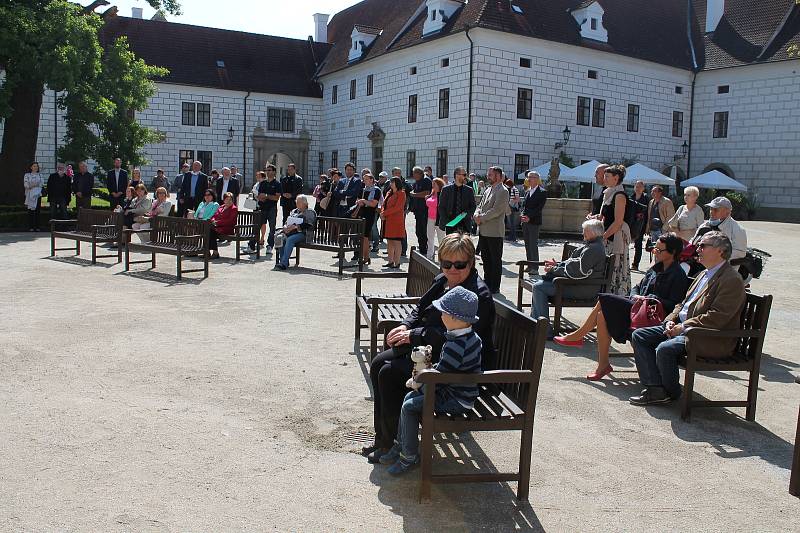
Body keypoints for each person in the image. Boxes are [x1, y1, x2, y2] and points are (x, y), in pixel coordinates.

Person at [363, 233, 497, 464]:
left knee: (389, 372)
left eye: (460, 264)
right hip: (429, 349)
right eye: (447, 263)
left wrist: (412, 335)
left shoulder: (477, 295)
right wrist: (405, 326)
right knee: (377, 364)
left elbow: (454, 337)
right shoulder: (442, 280)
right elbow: (420, 308)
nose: (452, 269)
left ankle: (394, 442)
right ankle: (384, 438)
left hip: (457, 365)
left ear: (471, 263)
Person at [629, 231, 745, 405]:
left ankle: (671, 392)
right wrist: (670, 320)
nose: (697, 249)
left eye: (703, 245)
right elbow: (682, 304)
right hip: (684, 328)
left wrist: (683, 327)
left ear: (720, 251)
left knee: (664, 348)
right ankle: (655, 388)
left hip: (707, 336)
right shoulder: (703, 274)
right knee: (640, 335)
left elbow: (718, 317)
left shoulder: (731, 279)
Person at [555, 233, 690, 380]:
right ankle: (603, 365)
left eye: (659, 249)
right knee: (602, 316)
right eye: (654, 248)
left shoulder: (678, 275)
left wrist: (649, 298)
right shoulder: (655, 268)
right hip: (638, 309)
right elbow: (637, 287)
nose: (654, 251)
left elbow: (675, 305)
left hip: (652, 317)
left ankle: (578, 336)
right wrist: (635, 295)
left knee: (605, 300)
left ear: (673, 252)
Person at [381, 286, 483, 475]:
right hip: (457, 391)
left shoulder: (456, 344)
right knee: (409, 399)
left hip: (455, 399)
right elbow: (448, 370)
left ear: (454, 318)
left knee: (409, 405)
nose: (441, 316)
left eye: (443, 312)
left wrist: (420, 384)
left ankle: (409, 456)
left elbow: (442, 377)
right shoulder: (469, 337)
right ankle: (400, 444)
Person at [530, 219, 607, 339]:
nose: (583, 233)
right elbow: (574, 264)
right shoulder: (593, 245)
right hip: (580, 284)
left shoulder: (594, 249)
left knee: (539, 287)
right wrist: (557, 266)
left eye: (585, 231)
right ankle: (537, 325)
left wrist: (554, 270)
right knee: (539, 285)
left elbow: (578, 271)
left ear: (593, 233)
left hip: (583, 288)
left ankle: (544, 330)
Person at [473, 166, 509, 294]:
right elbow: (480, 205)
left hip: (495, 232)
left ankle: (495, 286)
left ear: (498, 176)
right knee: (486, 259)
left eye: (491, 174)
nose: (488, 176)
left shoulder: (503, 191)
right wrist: (476, 214)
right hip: (484, 230)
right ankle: (487, 284)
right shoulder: (488, 189)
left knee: (495, 260)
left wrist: (481, 218)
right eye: (488, 174)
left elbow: (497, 210)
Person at [596, 165, 632, 295]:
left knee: (616, 267)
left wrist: (603, 237)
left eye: (607, 176)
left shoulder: (619, 195)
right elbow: (606, 216)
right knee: (608, 268)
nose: (604, 179)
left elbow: (618, 222)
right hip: (608, 237)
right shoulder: (609, 193)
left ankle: (616, 295)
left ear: (616, 178)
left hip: (616, 238)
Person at [274, 195, 316, 270]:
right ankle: (284, 261)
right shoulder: (294, 211)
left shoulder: (310, 212)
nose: (297, 204)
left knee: (290, 239)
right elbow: (287, 221)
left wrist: (296, 226)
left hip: (304, 234)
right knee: (280, 237)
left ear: (305, 203)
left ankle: (283, 263)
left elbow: (309, 224)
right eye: (297, 202)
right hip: (292, 233)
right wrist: (285, 227)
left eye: (299, 202)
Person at [521, 171, 547, 274]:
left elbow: (539, 208)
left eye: (531, 177)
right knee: (527, 244)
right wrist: (522, 215)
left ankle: (535, 267)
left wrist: (529, 217)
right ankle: (529, 264)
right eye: (528, 177)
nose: (528, 179)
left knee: (533, 244)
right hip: (525, 222)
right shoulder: (527, 191)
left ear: (536, 179)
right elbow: (524, 206)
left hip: (534, 222)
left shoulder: (542, 192)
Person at [437, 166, 476, 235]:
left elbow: (473, 206)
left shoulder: (469, 190)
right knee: (451, 245)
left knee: (464, 245)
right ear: (457, 175)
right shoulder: (446, 189)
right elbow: (441, 207)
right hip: (450, 224)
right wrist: (446, 220)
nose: (465, 177)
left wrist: (464, 215)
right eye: (464, 175)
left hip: (465, 224)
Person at [354, 173, 382, 264]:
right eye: (364, 179)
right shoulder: (362, 189)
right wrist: (360, 202)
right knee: (361, 237)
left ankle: (365, 257)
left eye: (366, 179)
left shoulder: (376, 190)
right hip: (361, 214)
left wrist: (364, 201)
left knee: (365, 237)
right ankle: (365, 257)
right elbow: (357, 201)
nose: (364, 181)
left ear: (371, 180)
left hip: (370, 215)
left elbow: (374, 204)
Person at [380, 177, 406, 269]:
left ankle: (397, 262)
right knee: (389, 241)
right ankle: (390, 261)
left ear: (397, 183)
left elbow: (398, 207)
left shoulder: (401, 193)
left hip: (396, 221)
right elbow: (384, 204)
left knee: (396, 242)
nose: (390, 184)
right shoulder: (388, 192)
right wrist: (382, 212)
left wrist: (384, 213)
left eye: (392, 182)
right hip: (388, 221)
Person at [409, 166, 433, 256]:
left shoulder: (426, 180)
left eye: (414, 174)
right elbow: (414, 190)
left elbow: (427, 193)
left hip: (425, 211)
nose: (413, 176)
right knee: (418, 231)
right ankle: (422, 248)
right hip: (418, 211)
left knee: (424, 231)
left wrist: (414, 195)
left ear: (419, 173)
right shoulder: (417, 181)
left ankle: (426, 250)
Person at [208, 192, 238, 259]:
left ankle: (214, 252)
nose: (228, 201)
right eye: (227, 199)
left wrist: (217, 222)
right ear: (224, 200)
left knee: (211, 231)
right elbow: (214, 215)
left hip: (228, 229)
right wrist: (213, 220)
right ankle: (208, 251)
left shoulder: (234, 208)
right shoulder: (221, 207)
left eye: (230, 199)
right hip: (218, 227)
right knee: (207, 229)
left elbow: (229, 221)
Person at [629, 180, 650, 271]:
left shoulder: (646, 198)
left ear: (643, 188)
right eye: (636, 186)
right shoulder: (631, 197)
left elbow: (647, 213)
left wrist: (647, 227)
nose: (637, 188)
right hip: (630, 223)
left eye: (640, 187)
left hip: (640, 225)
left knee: (638, 245)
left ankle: (635, 264)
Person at [424, 178, 446, 261]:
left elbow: (438, 204)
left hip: (439, 219)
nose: (432, 185)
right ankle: (429, 256)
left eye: (434, 184)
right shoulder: (432, 193)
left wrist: (427, 200)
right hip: (430, 218)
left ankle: (442, 258)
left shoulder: (443, 194)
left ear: (439, 185)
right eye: (432, 184)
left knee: (441, 239)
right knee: (430, 238)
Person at [23, 162, 44, 231]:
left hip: (37, 194)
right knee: (30, 211)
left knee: (37, 211)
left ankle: (37, 226)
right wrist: (32, 185)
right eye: (34, 166)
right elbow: (26, 184)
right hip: (30, 194)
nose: (36, 167)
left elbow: (41, 183)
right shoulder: (27, 175)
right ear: (31, 167)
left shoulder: (40, 175)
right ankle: (31, 227)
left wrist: (33, 184)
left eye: (37, 166)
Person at [505, 177, 521, 242]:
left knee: (512, 223)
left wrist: (510, 201)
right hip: (510, 206)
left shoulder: (514, 189)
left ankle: (513, 237)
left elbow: (518, 199)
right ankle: (511, 236)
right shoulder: (512, 189)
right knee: (511, 223)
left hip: (512, 207)